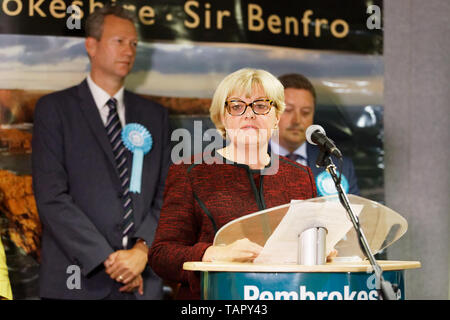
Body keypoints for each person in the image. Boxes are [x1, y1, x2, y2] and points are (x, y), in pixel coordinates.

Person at [32, 5, 170, 300]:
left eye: (134, 43)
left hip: (142, 283)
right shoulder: (54, 110)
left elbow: (166, 193)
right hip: (76, 282)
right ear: (91, 45)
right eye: (119, 41)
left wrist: (141, 251)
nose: (128, 51)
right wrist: (111, 260)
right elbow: (52, 196)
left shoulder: (155, 116)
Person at [148, 68, 319, 299]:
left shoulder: (301, 176)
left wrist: (320, 252)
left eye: (261, 105)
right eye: (237, 106)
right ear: (222, 117)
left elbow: (309, 244)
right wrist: (213, 254)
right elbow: (161, 255)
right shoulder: (190, 173)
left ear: (277, 116)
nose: (249, 114)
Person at [270, 73, 360, 196]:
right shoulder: (248, 162)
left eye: (305, 112)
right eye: (288, 110)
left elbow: (354, 213)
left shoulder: (337, 165)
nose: (297, 120)